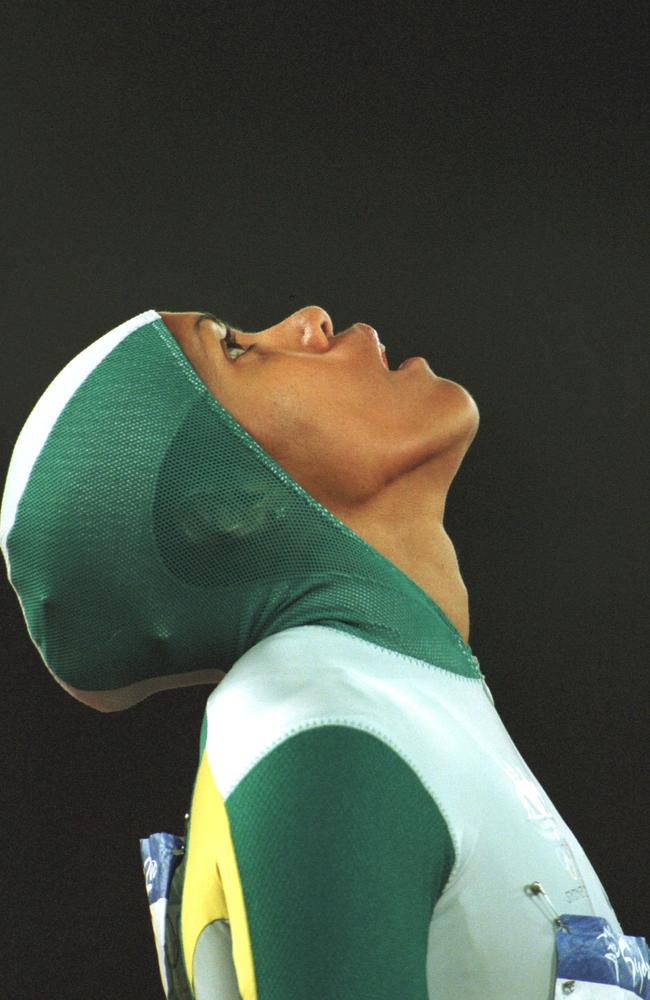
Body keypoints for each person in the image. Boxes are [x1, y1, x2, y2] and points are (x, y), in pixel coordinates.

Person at [1, 307, 647, 1000]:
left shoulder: (386, 701)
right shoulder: (326, 732)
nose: (309, 320)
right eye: (238, 349)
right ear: (229, 505)